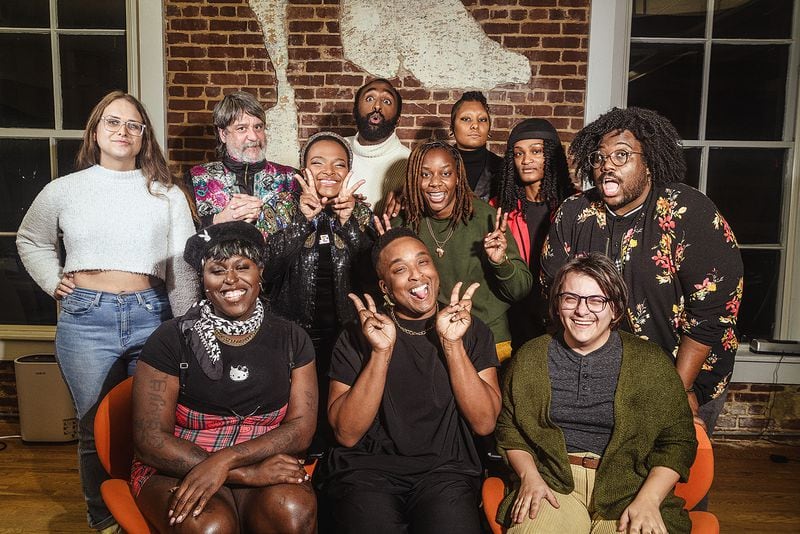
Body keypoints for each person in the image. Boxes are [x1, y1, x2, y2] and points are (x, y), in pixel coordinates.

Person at [16, 90, 196, 532]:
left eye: (134, 125)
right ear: (95, 132)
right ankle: (103, 519)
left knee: (151, 424)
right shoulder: (64, 190)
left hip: (152, 314)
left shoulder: (166, 195)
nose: (123, 131)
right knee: (94, 424)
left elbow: (183, 266)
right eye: (114, 122)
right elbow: (31, 240)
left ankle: (145, 509)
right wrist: (50, 278)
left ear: (143, 138)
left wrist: (184, 327)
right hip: (85, 318)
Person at [541, 107, 743, 434]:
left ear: (648, 162)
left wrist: (678, 391)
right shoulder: (574, 213)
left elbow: (713, 314)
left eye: (621, 155)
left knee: (671, 478)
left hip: (685, 377)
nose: (607, 165)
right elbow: (553, 293)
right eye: (599, 157)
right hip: (601, 380)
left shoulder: (686, 211)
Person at [131, 221, 317, 534]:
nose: (231, 279)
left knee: (291, 513)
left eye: (242, 266)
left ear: (260, 272)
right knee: (210, 528)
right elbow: (149, 442)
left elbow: (301, 430)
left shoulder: (292, 338)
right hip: (178, 464)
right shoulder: (171, 339)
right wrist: (245, 474)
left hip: (263, 458)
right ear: (203, 280)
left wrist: (226, 461)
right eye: (217, 270)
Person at [496, 253, 697, 534]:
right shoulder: (530, 357)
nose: (582, 310)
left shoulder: (650, 362)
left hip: (630, 486)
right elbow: (510, 429)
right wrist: (529, 477)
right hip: (554, 483)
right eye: (571, 298)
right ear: (557, 304)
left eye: (596, 300)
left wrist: (649, 500)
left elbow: (679, 441)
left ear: (615, 309)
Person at [318, 228, 501, 534]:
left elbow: (484, 423)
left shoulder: (471, 330)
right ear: (385, 288)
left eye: (423, 262)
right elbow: (346, 434)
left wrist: (452, 344)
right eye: (400, 269)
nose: (417, 276)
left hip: (446, 473)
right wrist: (380, 352)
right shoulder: (356, 334)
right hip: (366, 473)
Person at [261, 131, 373, 448]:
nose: (329, 172)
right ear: (303, 170)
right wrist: (301, 220)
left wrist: (349, 222)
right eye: (318, 163)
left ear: (349, 172)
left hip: (347, 335)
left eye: (339, 165)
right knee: (297, 417)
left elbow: (372, 276)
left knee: (337, 419)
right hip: (291, 335)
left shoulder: (362, 213)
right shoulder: (280, 210)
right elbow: (265, 272)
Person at [400, 140, 532, 356]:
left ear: (458, 177)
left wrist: (500, 262)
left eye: (445, 174)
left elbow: (520, 289)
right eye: (425, 175)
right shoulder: (405, 221)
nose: (435, 183)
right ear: (415, 179)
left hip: (488, 338)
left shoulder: (486, 218)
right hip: (430, 340)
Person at [494, 118, 575, 347]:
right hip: (514, 317)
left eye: (536, 151)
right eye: (518, 154)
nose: (526, 160)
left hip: (561, 316)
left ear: (551, 155)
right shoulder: (500, 210)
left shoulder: (576, 206)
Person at [185, 90, 297, 235]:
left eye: (258, 127)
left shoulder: (290, 178)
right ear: (223, 134)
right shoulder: (196, 179)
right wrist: (219, 219)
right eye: (242, 128)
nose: (253, 137)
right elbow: (183, 236)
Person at [347, 78, 410, 215]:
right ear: (355, 111)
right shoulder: (336, 148)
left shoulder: (410, 162)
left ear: (398, 119)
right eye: (369, 98)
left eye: (386, 101)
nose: (377, 106)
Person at [449, 90, 503, 199]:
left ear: (489, 128)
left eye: (482, 119)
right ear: (452, 128)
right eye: (466, 119)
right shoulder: (436, 166)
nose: (475, 125)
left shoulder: (503, 168)